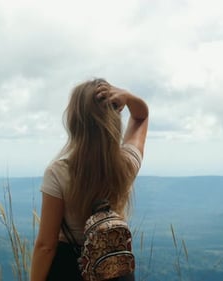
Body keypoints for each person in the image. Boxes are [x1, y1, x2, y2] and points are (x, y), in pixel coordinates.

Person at [30, 78, 149, 281]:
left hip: (69, 269)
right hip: (116, 272)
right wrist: (128, 97)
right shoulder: (125, 165)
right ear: (113, 119)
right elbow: (141, 117)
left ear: (74, 121)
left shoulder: (58, 172)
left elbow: (46, 246)